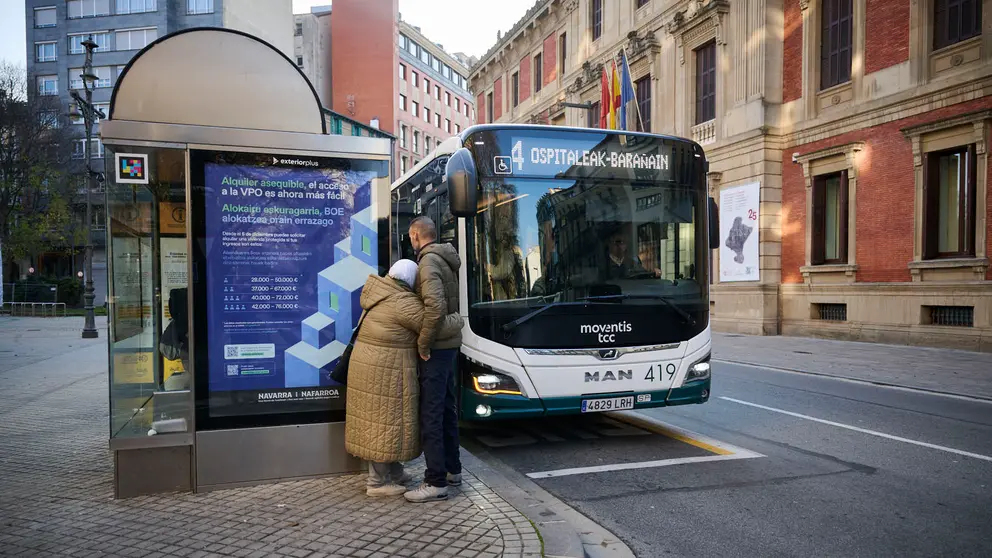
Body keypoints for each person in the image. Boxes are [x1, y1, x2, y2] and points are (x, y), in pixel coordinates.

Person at [344, 259, 463, 497]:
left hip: (369, 365)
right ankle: (376, 483)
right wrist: (459, 319)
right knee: (380, 423)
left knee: (384, 422)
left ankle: (395, 472)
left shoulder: (380, 290)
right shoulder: (402, 302)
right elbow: (433, 325)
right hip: (383, 369)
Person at [404, 215, 463, 503]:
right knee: (446, 410)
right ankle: (453, 469)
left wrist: (423, 343)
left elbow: (435, 306)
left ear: (416, 236)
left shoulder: (426, 263)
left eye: (409, 237)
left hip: (437, 347)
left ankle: (435, 480)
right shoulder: (445, 258)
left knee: (431, 412)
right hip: (449, 344)